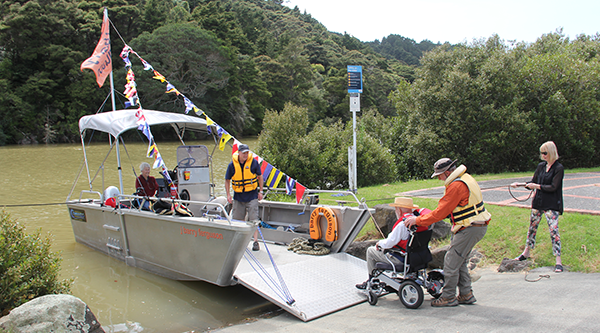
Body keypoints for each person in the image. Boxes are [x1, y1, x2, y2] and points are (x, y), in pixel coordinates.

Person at [405, 158, 491, 307]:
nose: (438, 178)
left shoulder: (456, 186)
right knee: (461, 261)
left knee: (450, 262)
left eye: (439, 175)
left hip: (469, 228)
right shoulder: (465, 178)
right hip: (477, 226)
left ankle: (448, 297)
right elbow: (450, 209)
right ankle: (466, 294)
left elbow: (440, 213)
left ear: (447, 172)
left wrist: (417, 221)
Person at [511, 141, 564, 273]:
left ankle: (558, 261)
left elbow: (553, 187)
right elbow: (533, 182)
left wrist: (537, 187)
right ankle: (526, 252)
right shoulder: (541, 166)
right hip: (538, 203)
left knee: (554, 231)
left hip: (551, 204)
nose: (543, 156)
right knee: (532, 228)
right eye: (541, 153)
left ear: (551, 152)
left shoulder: (558, 168)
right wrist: (520, 184)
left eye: (545, 153)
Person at [355, 197, 431, 290]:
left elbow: (389, 243)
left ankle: (372, 281)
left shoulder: (403, 224)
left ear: (398, 210)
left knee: (371, 251)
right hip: (420, 258)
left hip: (402, 260)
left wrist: (379, 244)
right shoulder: (420, 221)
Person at [225, 144, 264, 251]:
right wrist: (228, 194)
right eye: (243, 153)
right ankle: (239, 243)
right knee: (238, 220)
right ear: (239, 153)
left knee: (253, 219)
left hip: (252, 195)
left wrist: (260, 191)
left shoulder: (254, 163)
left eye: (247, 152)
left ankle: (255, 242)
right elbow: (227, 180)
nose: (245, 155)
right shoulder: (232, 165)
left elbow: (260, 177)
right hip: (238, 197)